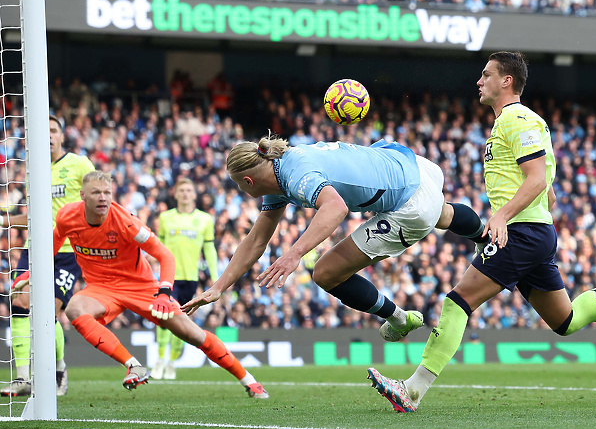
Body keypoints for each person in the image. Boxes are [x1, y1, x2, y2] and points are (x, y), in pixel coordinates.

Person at [366, 51, 596, 412]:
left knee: (457, 302)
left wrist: (502, 215)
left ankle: (412, 390)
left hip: (522, 232)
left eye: (486, 75)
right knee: (565, 321)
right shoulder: (512, 122)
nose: (478, 81)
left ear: (507, 81)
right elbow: (546, 186)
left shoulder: (516, 118)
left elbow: (536, 180)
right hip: (532, 232)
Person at [182, 135, 489, 341]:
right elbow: (256, 241)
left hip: (410, 203)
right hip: (414, 166)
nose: (241, 191)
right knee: (443, 214)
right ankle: (484, 236)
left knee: (326, 273)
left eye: (239, 186)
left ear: (247, 181)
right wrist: (218, 287)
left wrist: (294, 253)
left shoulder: (297, 175)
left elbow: (336, 207)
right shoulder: (283, 165)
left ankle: (398, 318)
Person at [50, 171, 267, 397]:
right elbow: (54, 242)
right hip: (101, 288)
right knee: (75, 308)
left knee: (193, 335)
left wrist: (164, 293)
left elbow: (165, 256)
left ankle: (249, 381)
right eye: (96, 193)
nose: (103, 198)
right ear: (82, 195)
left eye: (107, 193)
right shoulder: (67, 216)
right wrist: (30, 274)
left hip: (142, 287)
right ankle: (133, 365)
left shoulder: (127, 222)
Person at [1, 115, 94, 398]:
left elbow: (100, 197)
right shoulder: (33, 171)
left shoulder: (79, 164)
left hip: (68, 251)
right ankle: (21, 378)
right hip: (35, 247)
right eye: (44, 131)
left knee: (48, 310)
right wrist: (4, 220)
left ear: (62, 136)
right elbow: (31, 216)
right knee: (19, 300)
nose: (49, 135)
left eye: (53, 130)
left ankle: (58, 367)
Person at [152, 178, 218, 380]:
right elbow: (159, 247)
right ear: (176, 193)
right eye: (182, 190)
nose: (185, 193)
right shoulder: (165, 218)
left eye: (189, 190)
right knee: (163, 318)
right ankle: (160, 359)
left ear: (194, 194)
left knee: (181, 320)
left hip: (190, 278)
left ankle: (171, 362)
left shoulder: (205, 220)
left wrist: (215, 278)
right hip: (168, 277)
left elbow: (209, 248)